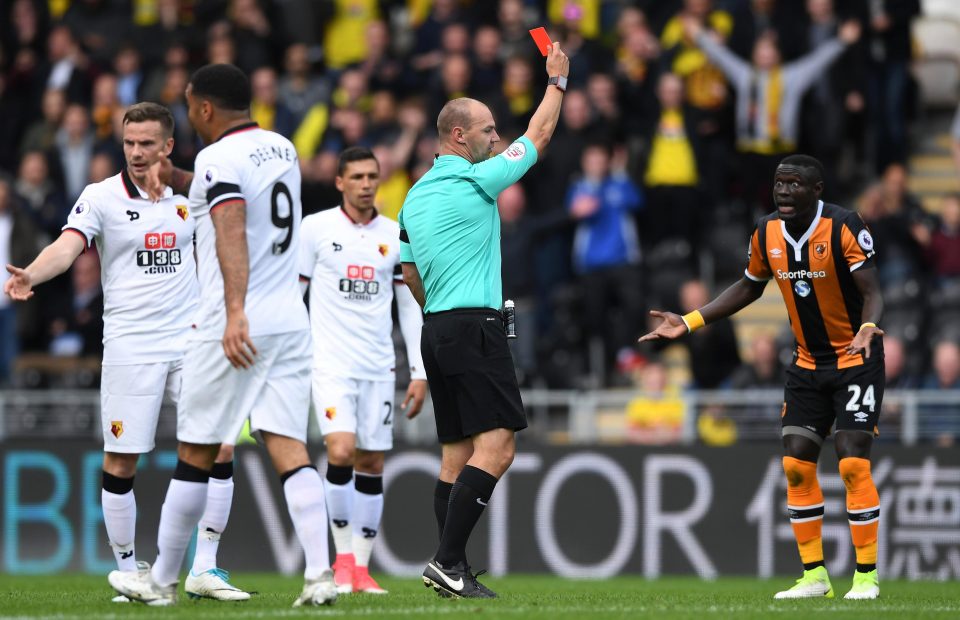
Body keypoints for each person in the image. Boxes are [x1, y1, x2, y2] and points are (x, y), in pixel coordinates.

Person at [106, 64, 336, 607]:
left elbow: (230, 223)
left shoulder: (218, 157)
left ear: (205, 108)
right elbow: (233, 196)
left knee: (197, 452)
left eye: (189, 106)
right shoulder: (281, 148)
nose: (189, 115)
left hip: (235, 323)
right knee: (287, 445)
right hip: (289, 321)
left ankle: (160, 580)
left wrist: (234, 312)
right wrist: (178, 178)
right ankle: (322, 574)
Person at [3, 102, 247, 602]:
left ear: (168, 147)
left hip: (190, 340)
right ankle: (128, 572)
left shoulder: (193, 191)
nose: (136, 153)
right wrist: (31, 272)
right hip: (131, 346)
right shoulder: (101, 197)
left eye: (146, 144)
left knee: (221, 445)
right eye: (129, 143)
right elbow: (68, 246)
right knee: (121, 460)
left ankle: (205, 567)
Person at [640, 154, 885, 600]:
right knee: (795, 465)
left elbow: (872, 290)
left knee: (851, 461)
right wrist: (691, 321)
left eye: (794, 184)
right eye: (778, 184)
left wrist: (868, 328)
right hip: (808, 364)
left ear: (816, 190)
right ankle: (815, 576)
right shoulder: (766, 231)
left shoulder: (845, 225)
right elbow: (750, 285)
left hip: (855, 359)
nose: (784, 191)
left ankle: (865, 577)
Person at [399, 40, 570, 599]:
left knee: (455, 455)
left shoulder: (414, 196)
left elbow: (410, 273)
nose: (496, 139)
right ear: (458, 136)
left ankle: (456, 567)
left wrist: (440, 312)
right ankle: (447, 562)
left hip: (437, 330)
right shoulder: (474, 179)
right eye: (489, 131)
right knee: (498, 448)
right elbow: (539, 137)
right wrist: (556, 82)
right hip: (475, 326)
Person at [298, 146, 428, 595]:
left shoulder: (394, 235)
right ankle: (343, 560)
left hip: (377, 366)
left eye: (372, 175)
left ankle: (363, 571)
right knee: (340, 451)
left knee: (372, 461)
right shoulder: (314, 229)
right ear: (339, 182)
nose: (366, 183)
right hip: (329, 363)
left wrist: (419, 369)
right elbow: (294, 295)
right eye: (356, 176)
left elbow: (409, 308)